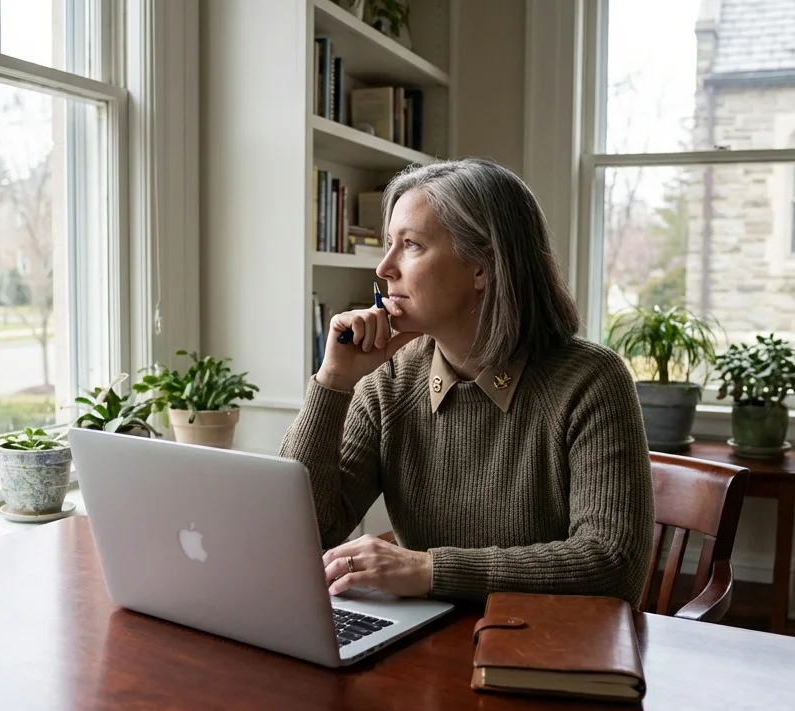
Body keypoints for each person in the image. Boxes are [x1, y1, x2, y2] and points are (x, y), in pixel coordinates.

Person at [279, 158, 654, 605]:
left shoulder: (591, 381)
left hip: (546, 652)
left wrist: (430, 569)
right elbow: (297, 535)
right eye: (388, 244)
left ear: (483, 268)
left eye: (411, 245)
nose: (383, 268)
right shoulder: (392, 378)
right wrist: (333, 382)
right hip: (421, 642)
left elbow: (611, 564)